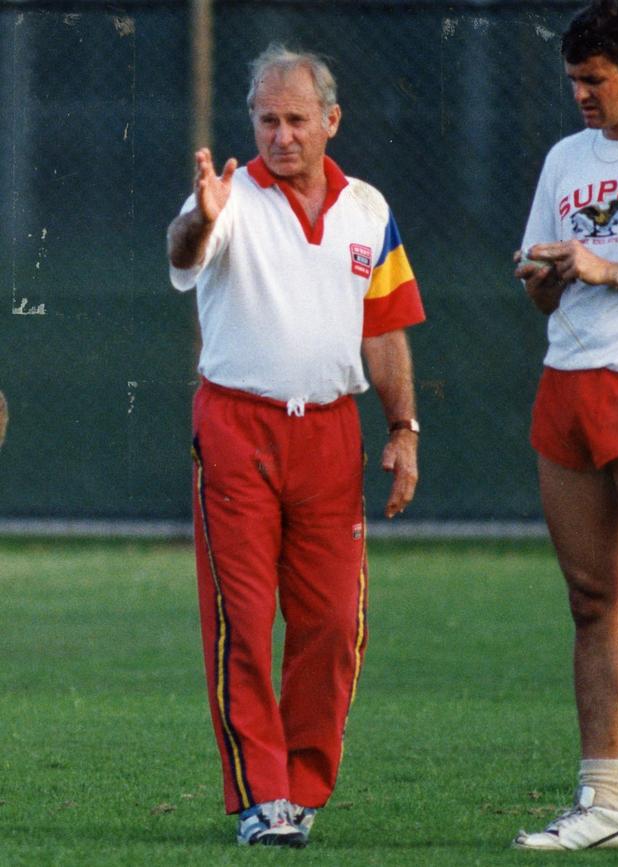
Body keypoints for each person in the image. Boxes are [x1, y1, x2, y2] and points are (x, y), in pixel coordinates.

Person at [167, 45, 425, 847]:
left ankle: (304, 788)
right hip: (238, 424)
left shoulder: (368, 209)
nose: (280, 136)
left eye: (295, 120)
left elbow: (382, 330)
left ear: (331, 121)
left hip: (329, 432)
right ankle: (262, 796)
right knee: (242, 617)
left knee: (331, 621)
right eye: (266, 120)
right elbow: (183, 250)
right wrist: (199, 219)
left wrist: (404, 429)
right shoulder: (228, 198)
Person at [512, 0, 618, 853]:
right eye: (572, 82)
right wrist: (546, 273)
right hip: (568, 379)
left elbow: (610, 264)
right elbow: (537, 276)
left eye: (595, 81)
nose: (582, 97)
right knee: (592, 599)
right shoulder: (567, 157)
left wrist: (605, 265)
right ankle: (604, 802)